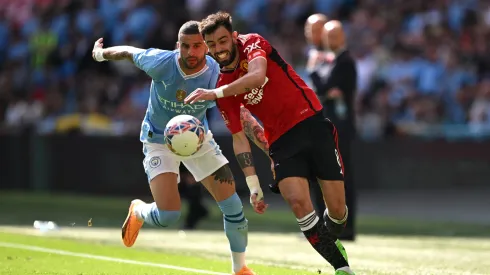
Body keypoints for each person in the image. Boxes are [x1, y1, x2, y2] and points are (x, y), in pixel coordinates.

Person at [185, 12, 355, 275]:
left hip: (312, 124)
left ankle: (331, 235)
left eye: (222, 41)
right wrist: (253, 186)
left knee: (338, 214)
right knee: (298, 202)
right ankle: (341, 267)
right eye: (213, 45)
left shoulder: (252, 42)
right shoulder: (223, 86)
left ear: (233, 37)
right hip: (281, 142)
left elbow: (256, 76)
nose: (219, 49)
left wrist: (214, 93)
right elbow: (239, 137)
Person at [91, 20, 267, 275]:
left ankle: (239, 269)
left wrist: (268, 151)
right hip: (158, 140)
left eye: (197, 46)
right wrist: (100, 54)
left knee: (233, 208)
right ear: (177, 46)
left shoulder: (217, 73)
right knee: (169, 215)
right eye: (185, 46)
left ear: (206, 47)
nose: (191, 52)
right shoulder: (161, 62)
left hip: (198, 139)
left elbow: (242, 116)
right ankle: (139, 211)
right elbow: (129, 52)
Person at [307, 20, 358, 241]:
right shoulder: (328, 60)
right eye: (328, 36)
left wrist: (313, 70)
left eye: (335, 35)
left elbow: (325, 88)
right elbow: (327, 90)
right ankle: (325, 225)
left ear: (343, 37)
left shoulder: (345, 62)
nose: (330, 40)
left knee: (342, 176)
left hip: (340, 127)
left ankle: (347, 227)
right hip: (324, 125)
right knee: (319, 174)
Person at [304, 13, 329, 225]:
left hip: (328, 120)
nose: (313, 34)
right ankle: (319, 222)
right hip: (312, 120)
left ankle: (335, 222)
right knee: (314, 173)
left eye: (317, 29)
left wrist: (313, 69)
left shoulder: (331, 55)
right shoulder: (313, 52)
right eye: (310, 29)